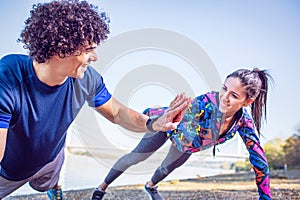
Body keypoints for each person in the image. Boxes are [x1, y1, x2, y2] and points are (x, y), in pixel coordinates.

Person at [0, 1, 191, 199]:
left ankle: (54, 187)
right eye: (89, 49)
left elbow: (117, 113)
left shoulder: (87, 79)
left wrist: (153, 123)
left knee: (51, 180)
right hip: (9, 173)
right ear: (61, 48)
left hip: (51, 160)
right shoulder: (8, 78)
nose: (95, 57)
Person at [92, 68, 273, 200]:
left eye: (234, 95)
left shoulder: (243, 122)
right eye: (224, 88)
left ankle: (150, 186)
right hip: (168, 125)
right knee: (135, 157)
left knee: (166, 169)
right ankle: (101, 188)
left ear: (247, 101)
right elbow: (183, 128)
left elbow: (258, 158)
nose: (224, 97)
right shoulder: (206, 102)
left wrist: (265, 196)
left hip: (188, 144)